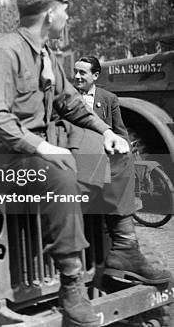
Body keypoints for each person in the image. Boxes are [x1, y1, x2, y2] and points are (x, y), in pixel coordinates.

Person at [0, 0, 169, 327]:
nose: (69, 16)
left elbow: (70, 103)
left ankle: (124, 249)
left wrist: (106, 130)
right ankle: (71, 285)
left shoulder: (45, 54)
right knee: (61, 174)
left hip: (35, 150)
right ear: (50, 13)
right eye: (66, 9)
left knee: (115, 156)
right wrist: (43, 147)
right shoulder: (4, 54)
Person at [70, 56, 167, 285]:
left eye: (83, 73)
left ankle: (124, 249)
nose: (77, 77)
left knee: (120, 162)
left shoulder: (109, 99)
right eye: (75, 72)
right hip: (78, 154)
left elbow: (120, 131)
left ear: (95, 76)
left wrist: (121, 145)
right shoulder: (67, 97)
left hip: (102, 152)